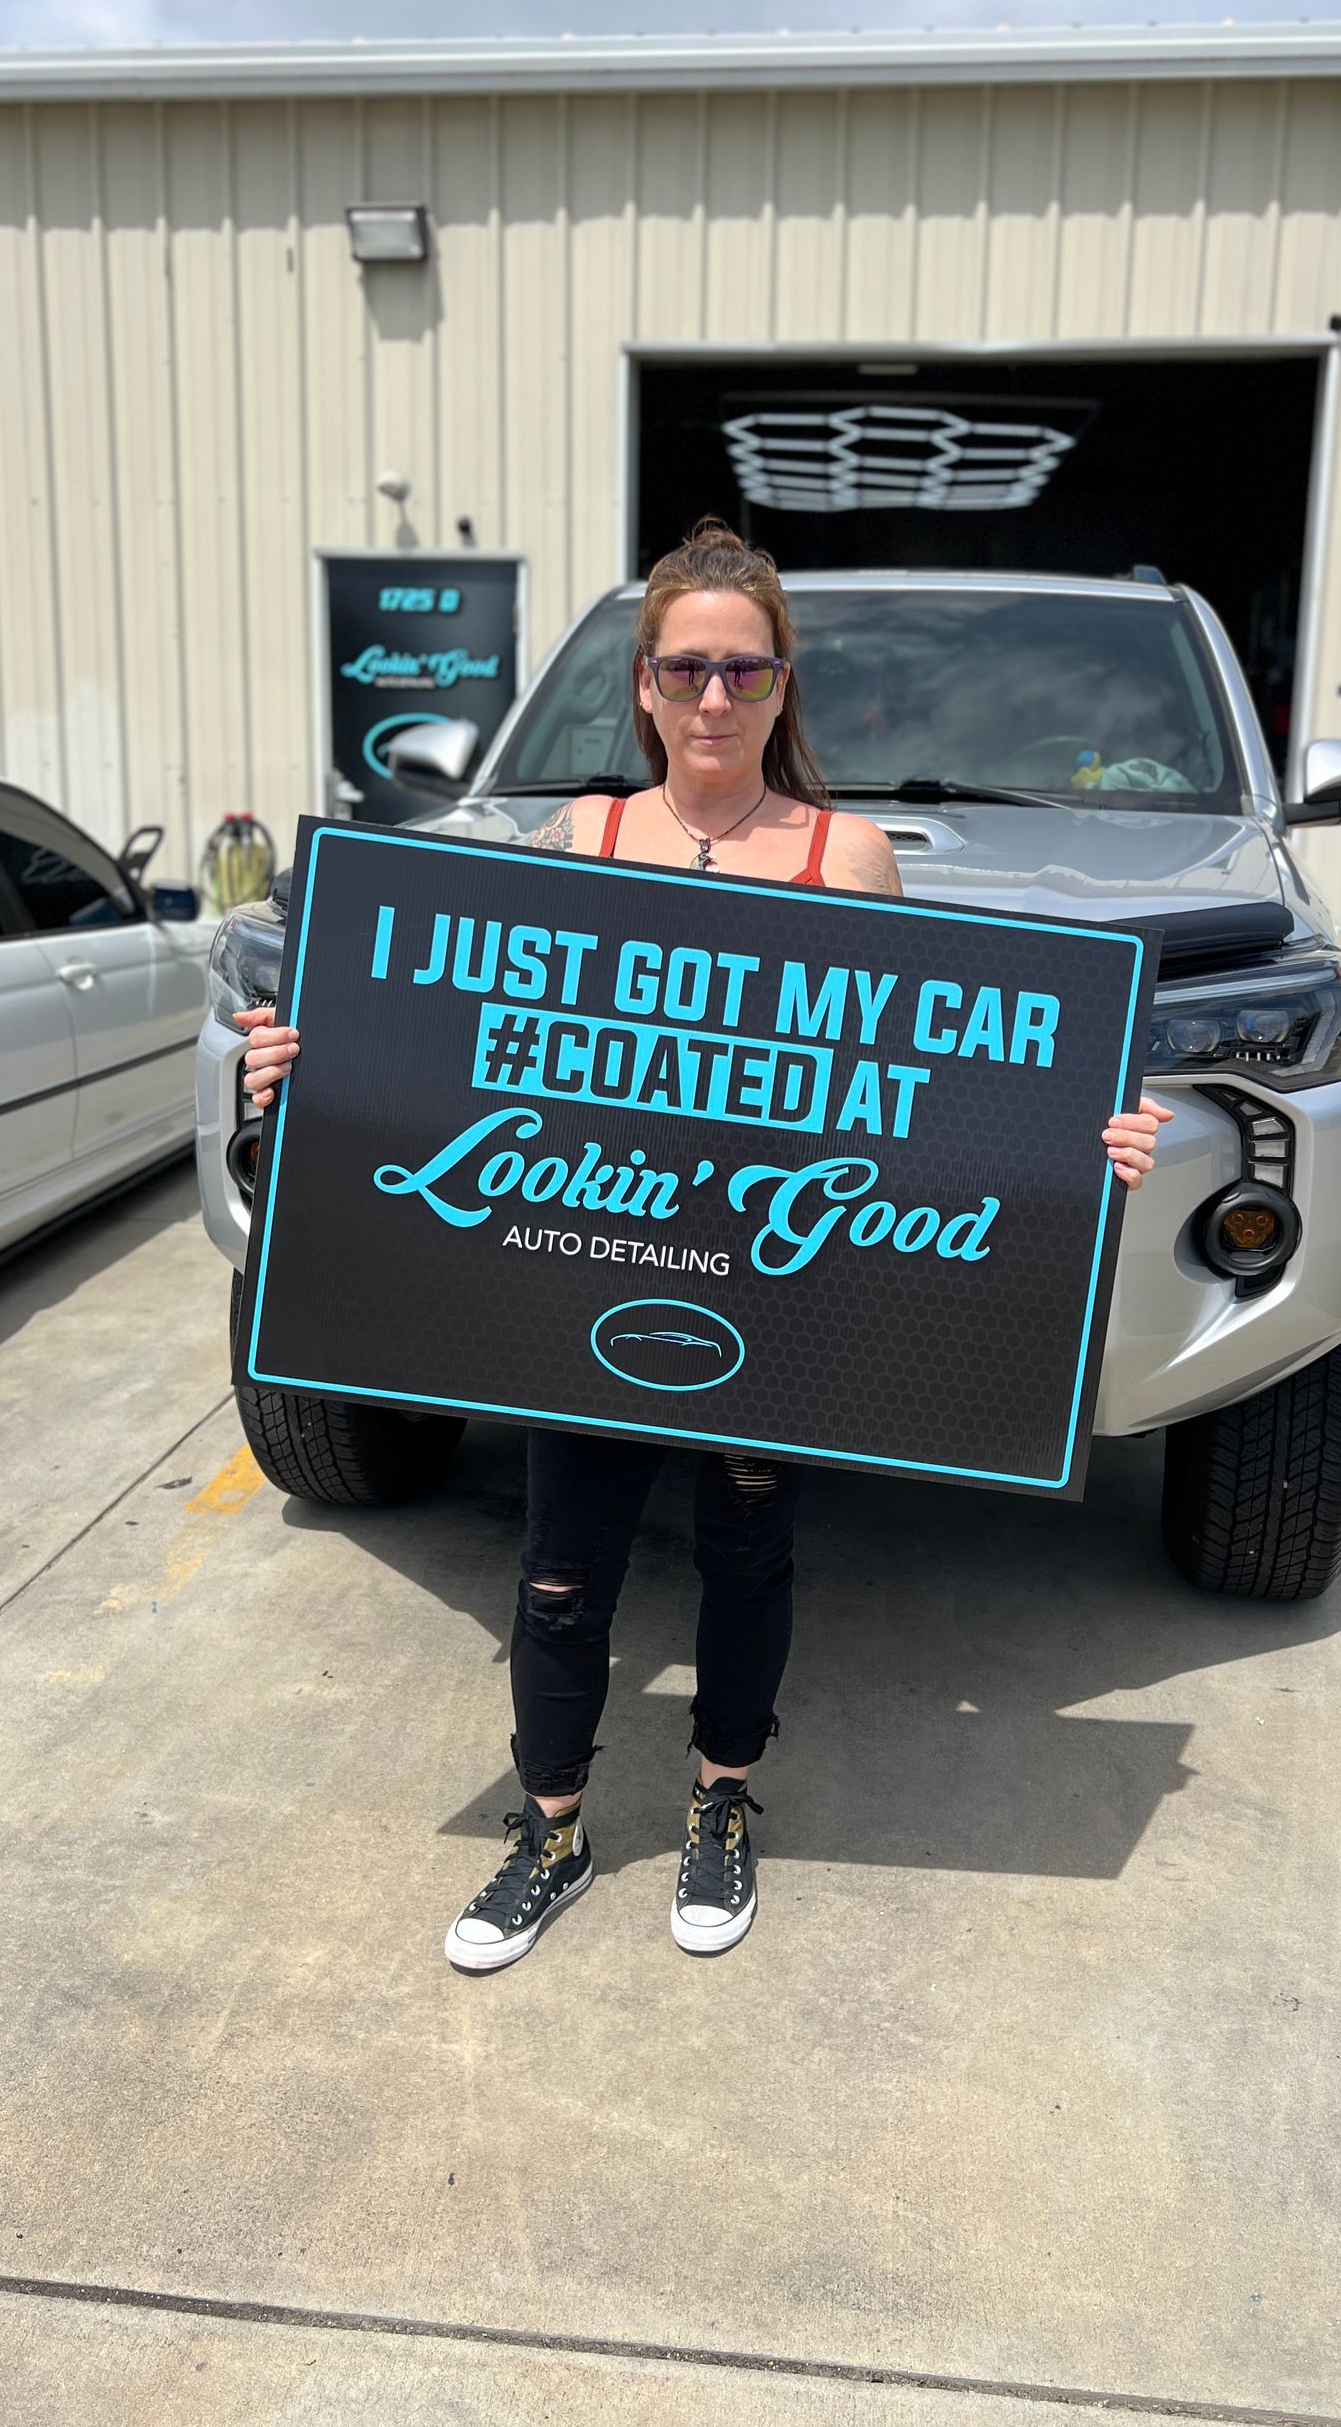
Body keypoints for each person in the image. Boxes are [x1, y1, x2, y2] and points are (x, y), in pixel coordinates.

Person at [237, 519, 1172, 1974]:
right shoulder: (586, 837)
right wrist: (309, 1066)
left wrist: (1085, 1140)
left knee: (748, 1555)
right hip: (591, 1279)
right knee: (559, 1575)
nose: (717, 698)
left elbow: (931, 1082)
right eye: (689, 670)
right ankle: (550, 1829)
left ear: (784, 686)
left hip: (775, 1293)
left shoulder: (847, 857)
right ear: (649, 686)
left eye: (745, 669)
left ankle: (720, 1799)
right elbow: (475, 1050)